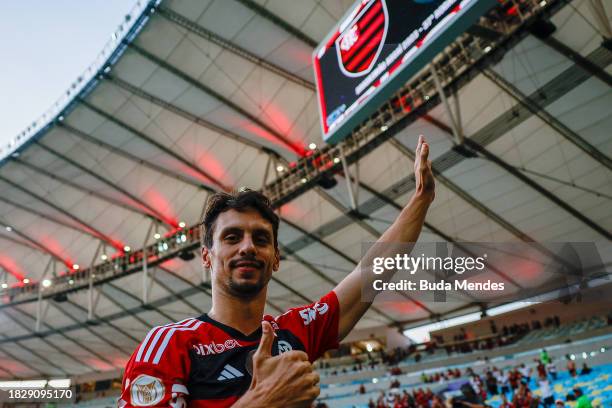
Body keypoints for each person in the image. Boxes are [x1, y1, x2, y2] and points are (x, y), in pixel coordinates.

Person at [118, 137, 436, 407]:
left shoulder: (294, 332)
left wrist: (421, 201)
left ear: (276, 259)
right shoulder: (170, 344)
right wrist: (261, 401)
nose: (248, 247)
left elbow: (371, 272)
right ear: (206, 257)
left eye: (261, 239)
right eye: (232, 237)